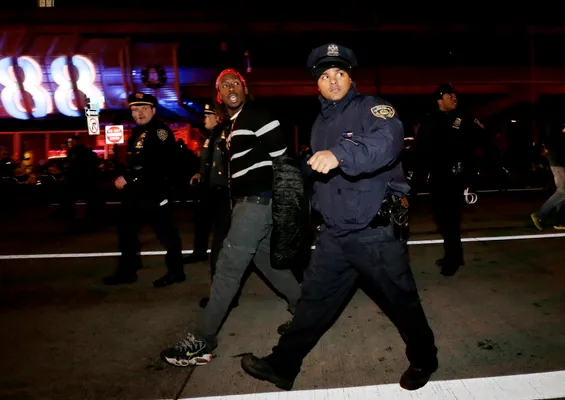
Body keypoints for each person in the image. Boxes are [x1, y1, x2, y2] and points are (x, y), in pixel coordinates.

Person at [240, 44, 438, 392]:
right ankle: (283, 365)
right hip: (334, 233)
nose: (332, 81)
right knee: (312, 302)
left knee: (401, 302)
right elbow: (324, 180)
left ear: (351, 78)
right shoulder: (319, 124)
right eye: (324, 76)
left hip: (374, 232)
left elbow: (387, 142)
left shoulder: (372, 108)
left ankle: (425, 358)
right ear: (317, 84)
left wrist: (340, 154)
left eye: (339, 74)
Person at [160, 68, 303, 367]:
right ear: (219, 94)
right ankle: (307, 312)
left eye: (235, 82)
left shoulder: (257, 114)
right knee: (268, 263)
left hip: (257, 204)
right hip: (249, 204)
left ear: (244, 87)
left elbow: (282, 156)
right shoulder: (233, 125)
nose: (230, 87)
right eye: (224, 85)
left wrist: (284, 201)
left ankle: (202, 340)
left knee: (227, 268)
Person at [102, 92, 185, 288]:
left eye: (143, 109)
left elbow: (159, 164)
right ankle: (128, 271)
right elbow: (135, 162)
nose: (138, 113)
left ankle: (176, 272)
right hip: (136, 195)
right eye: (134, 109)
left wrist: (129, 177)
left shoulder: (159, 132)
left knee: (167, 235)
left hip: (154, 194)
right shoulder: (138, 133)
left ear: (153, 110)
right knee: (126, 231)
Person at [413, 83, 486, 276]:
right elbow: (421, 149)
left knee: (450, 218)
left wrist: (473, 174)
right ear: (439, 98)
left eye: (455, 95)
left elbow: (483, 140)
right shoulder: (429, 119)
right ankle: (454, 254)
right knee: (443, 219)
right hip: (437, 176)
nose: (454, 98)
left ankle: (452, 259)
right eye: (449, 95)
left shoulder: (464, 118)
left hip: (456, 175)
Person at [185, 103, 233, 308]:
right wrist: (201, 175)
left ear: (218, 117)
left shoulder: (227, 134)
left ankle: (222, 296)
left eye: (208, 115)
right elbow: (209, 164)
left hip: (225, 195)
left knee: (222, 246)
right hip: (211, 193)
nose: (204, 119)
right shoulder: (211, 137)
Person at [531, 123, 565, 230]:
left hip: (559, 164)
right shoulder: (557, 136)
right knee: (563, 191)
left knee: (563, 193)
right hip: (559, 165)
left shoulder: (556, 136)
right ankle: (540, 214)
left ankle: (558, 220)